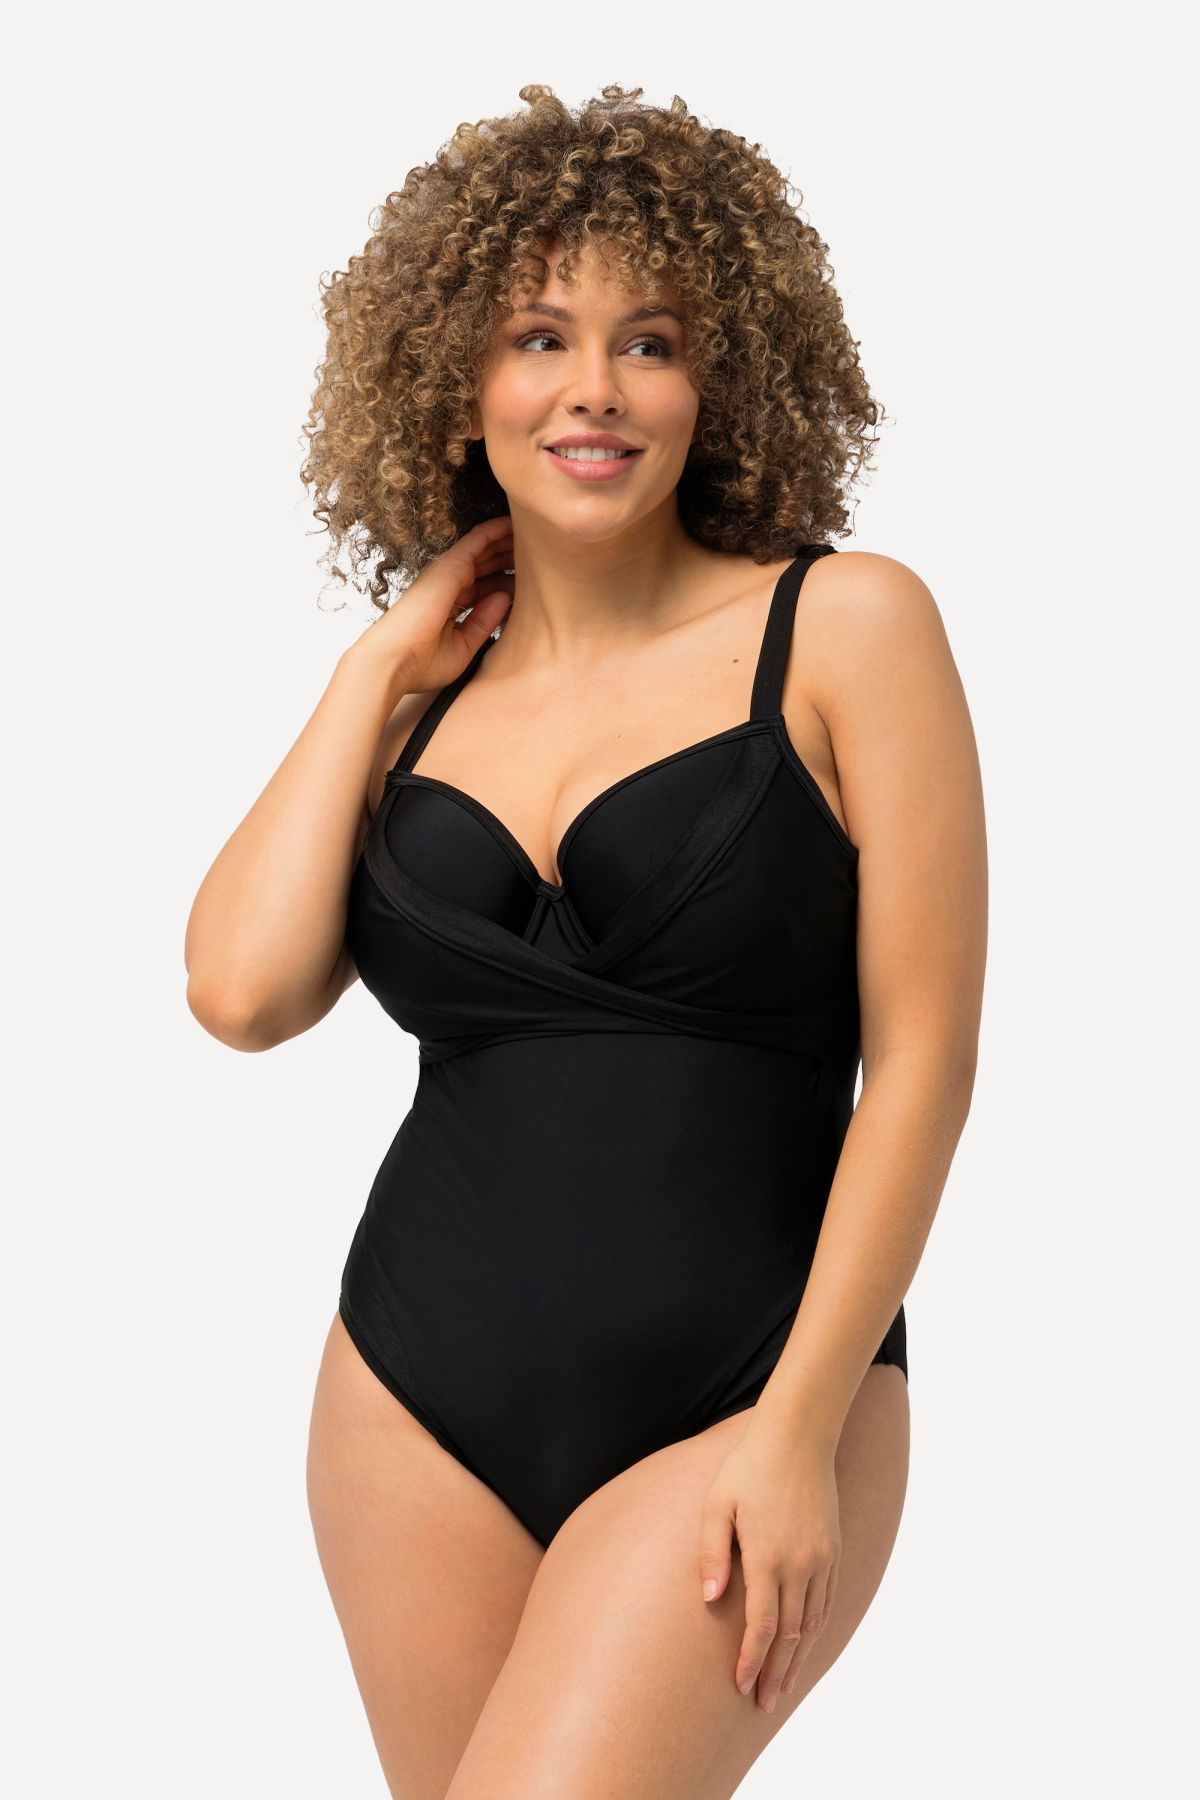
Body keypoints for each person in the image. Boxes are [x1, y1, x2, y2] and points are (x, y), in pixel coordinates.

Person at [185, 83, 986, 1800]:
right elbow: (241, 993)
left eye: (651, 342)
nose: (596, 389)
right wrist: (376, 668)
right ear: (457, 380)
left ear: (723, 377)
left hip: (751, 1389)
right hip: (413, 1400)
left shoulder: (845, 627)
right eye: (540, 337)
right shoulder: (421, 701)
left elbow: (921, 1063)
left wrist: (796, 1430)